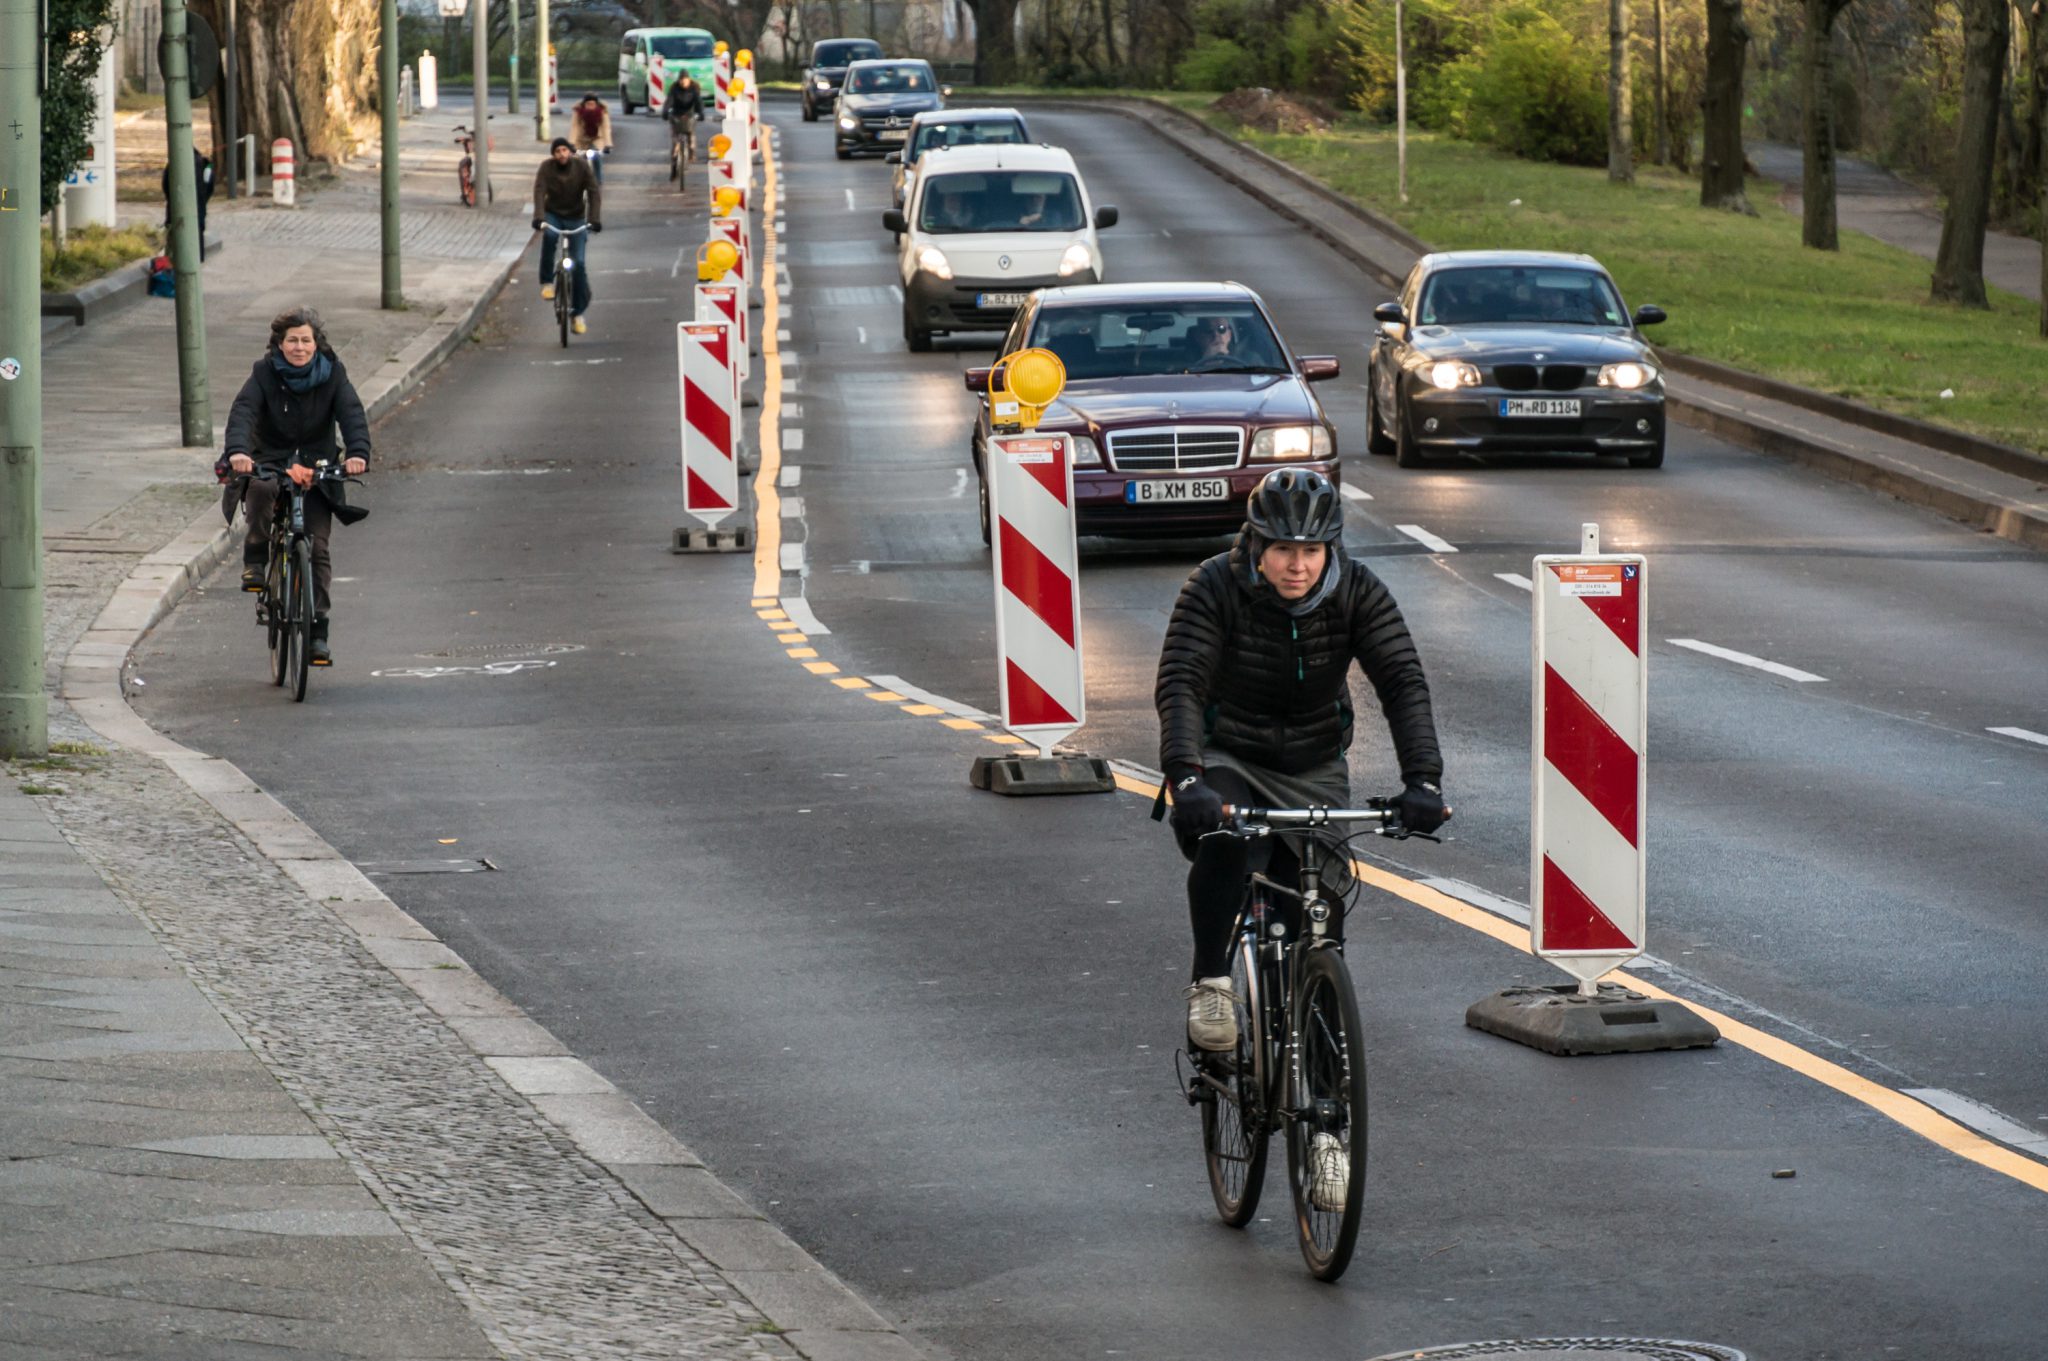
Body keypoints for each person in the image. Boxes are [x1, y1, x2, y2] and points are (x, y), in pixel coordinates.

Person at [1155, 467, 1445, 1057]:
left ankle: (1325, 1117)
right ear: (1256, 545)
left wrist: (1423, 780)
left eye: (1311, 551)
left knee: (1316, 916)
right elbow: (1182, 682)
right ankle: (1211, 981)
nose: (1297, 566)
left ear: (1329, 548)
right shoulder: (1213, 585)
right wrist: (1187, 777)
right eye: (1283, 550)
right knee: (1226, 842)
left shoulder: (1358, 590)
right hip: (1228, 749)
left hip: (1313, 762)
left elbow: (1402, 682)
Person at [216, 307, 370, 667]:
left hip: (317, 465)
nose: (299, 347)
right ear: (279, 344)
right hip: (270, 457)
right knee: (260, 490)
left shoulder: (333, 375)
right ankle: (255, 558)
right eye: (292, 340)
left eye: (306, 340)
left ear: (316, 344)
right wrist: (238, 451)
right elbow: (243, 413)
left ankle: (317, 633)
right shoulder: (263, 374)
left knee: (317, 549)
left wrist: (358, 453)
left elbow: (351, 413)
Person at [532, 137, 603, 334]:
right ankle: (547, 282)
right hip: (553, 214)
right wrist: (539, 217)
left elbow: (593, 192)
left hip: (576, 218)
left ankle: (577, 313)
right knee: (550, 237)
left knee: (578, 263)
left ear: (569, 152)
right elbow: (539, 191)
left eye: (564, 150)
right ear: (553, 154)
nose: (561, 154)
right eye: (557, 151)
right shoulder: (546, 168)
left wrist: (594, 219)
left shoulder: (581, 167)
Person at [160, 145, 215, 260]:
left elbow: (165, 185)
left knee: (175, 245)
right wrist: (203, 201)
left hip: (175, 211)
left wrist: (172, 200)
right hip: (198, 211)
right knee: (196, 241)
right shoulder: (204, 164)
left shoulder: (173, 164)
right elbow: (210, 187)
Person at [664, 72, 705, 173]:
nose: (683, 82)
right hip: (676, 115)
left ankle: (691, 154)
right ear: (679, 80)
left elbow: (698, 102)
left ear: (689, 80)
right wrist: (665, 112)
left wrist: (700, 113)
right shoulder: (674, 89)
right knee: (675, 141)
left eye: (685, 80)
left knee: (691, 135)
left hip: (689, 115)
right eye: (681, 80)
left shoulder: (694, 89)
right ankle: (674, 161)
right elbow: (669, 101)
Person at [570, 93, 613, 181]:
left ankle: (598, 181)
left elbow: (606, 128)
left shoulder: (602, 112)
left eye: (592, 104)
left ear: (596, 105)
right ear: (584, 105)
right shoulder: (578, 112)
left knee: (596, 158)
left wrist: (608, 145)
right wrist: (571, 143)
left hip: (597, 139)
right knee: (581, 161)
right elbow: (575, 127)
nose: (590, 107)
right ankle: (580, 181)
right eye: (588, 104)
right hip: (582, 139)